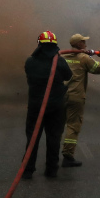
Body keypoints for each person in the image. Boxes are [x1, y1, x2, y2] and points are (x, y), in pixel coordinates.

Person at [23, 31, 73, 179]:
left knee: (32, 138)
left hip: (35, 106)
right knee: (54, 138)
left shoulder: (30, 61)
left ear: (39, 44)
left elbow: (29, 75)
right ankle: (51, 170)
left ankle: (27, 170)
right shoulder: (60, 61)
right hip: (56, 107)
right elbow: (68, 76)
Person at [61, 33, 100, 167]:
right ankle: (68, 156)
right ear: (78, 44)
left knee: (58, 125)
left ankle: (51, 156)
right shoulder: (83, 58)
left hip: (61, 96)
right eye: (83, 41)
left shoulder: (63, 57)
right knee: (73, 125)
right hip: (75, 97)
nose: (85, 43)